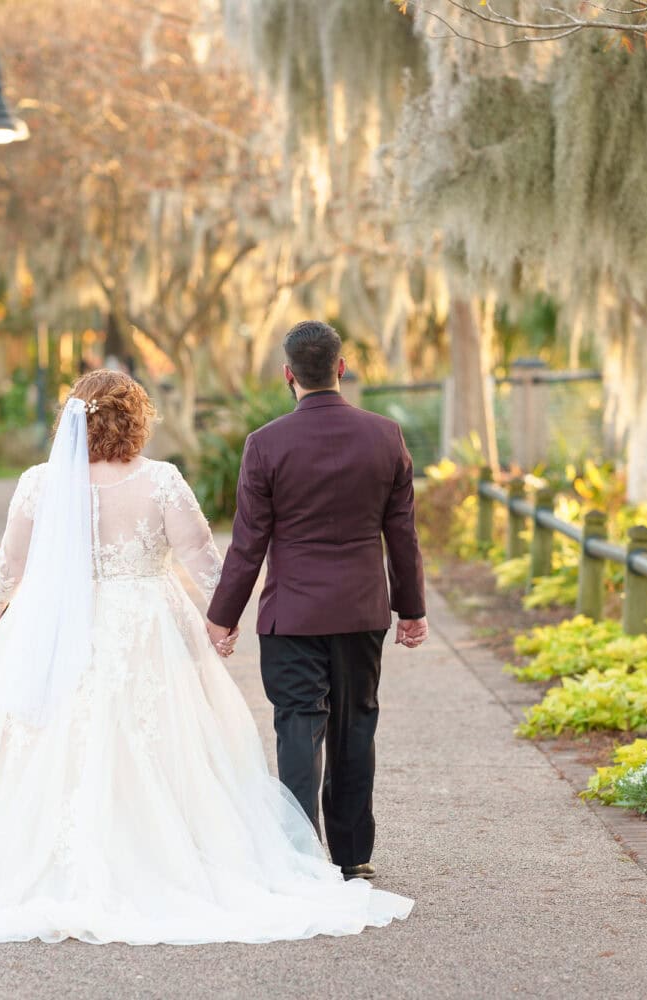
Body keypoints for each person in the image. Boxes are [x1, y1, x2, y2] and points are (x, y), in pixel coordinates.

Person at [0, 369, 411, 945]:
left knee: (57, 739)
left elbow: (10, 569)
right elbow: (204, 560)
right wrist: (223, 617)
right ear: (137, 421)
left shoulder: (38, 484)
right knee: (160, 740)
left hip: (51, 631)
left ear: (74, 423)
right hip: (147, 623)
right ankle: (170, 854)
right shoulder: (161, 480)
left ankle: (40, 859)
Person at [206, 320, 428, 882]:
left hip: (293, 616)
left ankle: (299, 857)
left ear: (288, 374)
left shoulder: (265, 444)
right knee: (356, 726)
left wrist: (222, 619)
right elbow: (402, 533)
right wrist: (413, 609)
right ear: (341, 368)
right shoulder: (386, 436)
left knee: (299, 729)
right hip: (361, 612)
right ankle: (353, 857)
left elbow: (248, 542)